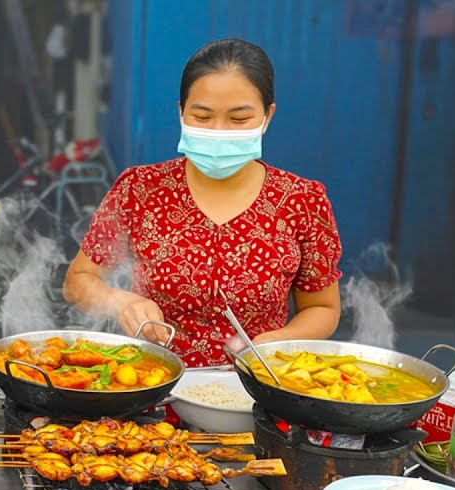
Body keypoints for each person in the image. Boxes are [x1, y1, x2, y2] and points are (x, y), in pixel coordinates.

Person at [62, 38, 342, 367]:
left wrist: (275, 343)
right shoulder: (139, 189)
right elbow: (78, 282)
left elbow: (321, 307)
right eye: (202, 116)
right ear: (181, 112)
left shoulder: (302, 200)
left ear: (268, 116)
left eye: (239, 119)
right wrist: (118, 301)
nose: (218, 131)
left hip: (258, 388)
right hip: (151, 388)